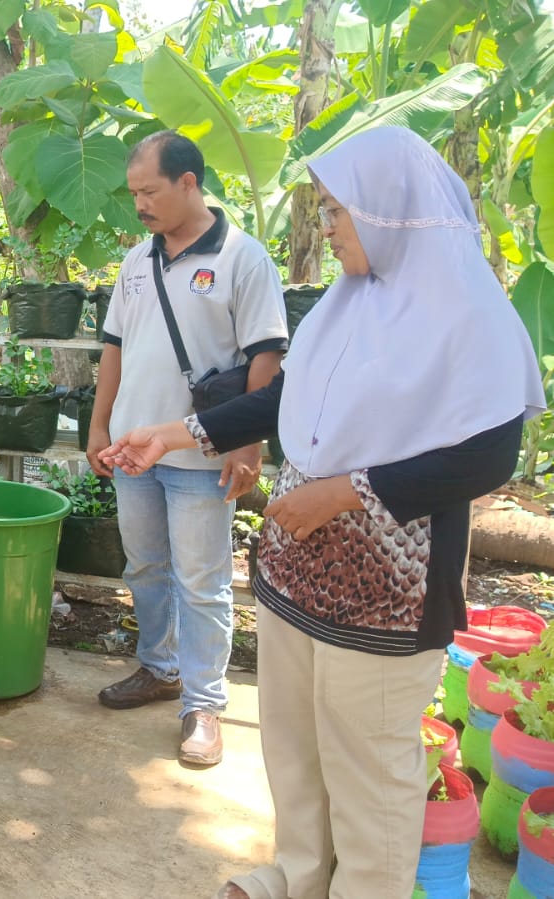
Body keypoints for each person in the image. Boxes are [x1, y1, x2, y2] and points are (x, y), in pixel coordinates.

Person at [101, 127, 544, 899]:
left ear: (394, 213)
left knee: (369, 769)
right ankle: (298, 875)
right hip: (297, 575)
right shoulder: (350, 303)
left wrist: (342, 494)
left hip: (386, 600)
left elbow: (484, 459)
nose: (328, 227)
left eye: (339, 211)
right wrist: (176, 433)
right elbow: (284, 398)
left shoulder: (469, 319)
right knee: (294, 747)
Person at [87, 130, 288, 767]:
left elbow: (266, 359)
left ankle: (203, 705)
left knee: (201, 582)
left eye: (149, 190)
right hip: (131, 451)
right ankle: (159, 667)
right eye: (133, 192)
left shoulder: (243, 259)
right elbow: (114, 349)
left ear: (188, 183)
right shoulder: (134, 262)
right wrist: (99, 427)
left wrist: (246, 445)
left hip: (203, 454)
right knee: (143, 567)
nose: (139, 203)